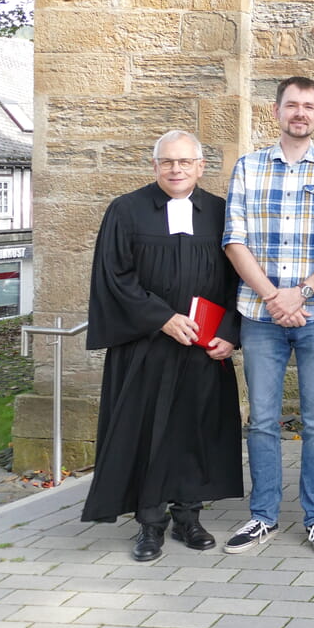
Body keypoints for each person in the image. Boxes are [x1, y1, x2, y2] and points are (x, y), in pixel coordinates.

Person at [81, 131, 243, 562]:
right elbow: (115, 277)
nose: (176, 170)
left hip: (201, 348)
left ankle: (188, 516)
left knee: (195, 430)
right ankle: (150, 523)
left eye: (184, 162)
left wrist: (230, 330)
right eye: (167, 162)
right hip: (146, 346)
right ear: (154, 166)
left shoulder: (220, 213)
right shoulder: (127, 210)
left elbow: (237, 279)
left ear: (200, 166)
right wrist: (163, 319)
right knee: (147, 431)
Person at [223, 76, 314, 556]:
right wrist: (275, 297)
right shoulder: (248, 168)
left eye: (309, 106)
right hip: (259, 314)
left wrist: (299, 294)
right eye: (292, 105)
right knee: (262, 420)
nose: (300, 113)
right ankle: (263, 517)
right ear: (276, 111)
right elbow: (234, 240)